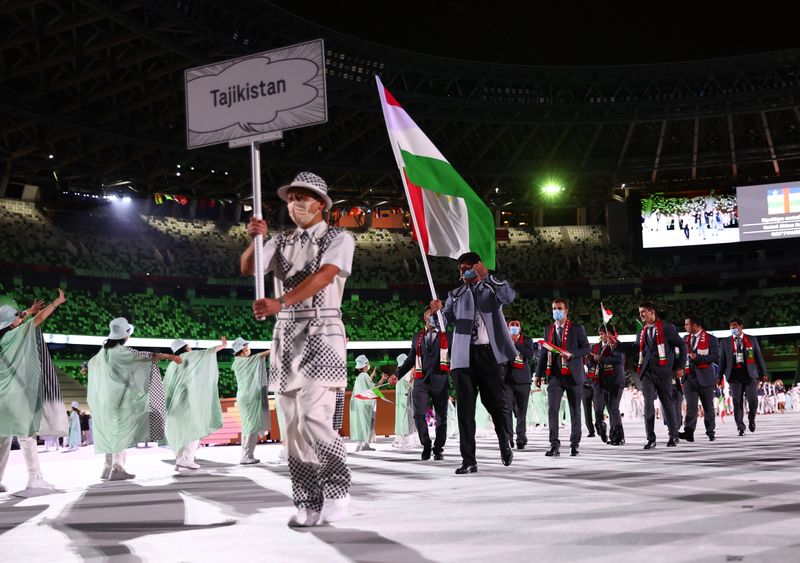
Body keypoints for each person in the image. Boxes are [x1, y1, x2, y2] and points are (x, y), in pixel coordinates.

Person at [241, 171, 354, 527]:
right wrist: (254, 240)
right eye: (291, 198)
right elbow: (249, 268)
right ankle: (307, 498)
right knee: (291, 428)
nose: (295, 204)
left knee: (313, 417)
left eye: (302, 197)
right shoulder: (281, 239)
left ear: (320, 203)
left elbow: (326, 274)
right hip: (286, 334)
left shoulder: (339, 236)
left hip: (323, 329)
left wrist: (282, 301)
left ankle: (337, 486)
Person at [430, 252, 516, 475]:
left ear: (478, 266)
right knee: (465, 411)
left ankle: (504, 440)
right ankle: (469, 460)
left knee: (496, 404)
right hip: (462, 357)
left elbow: (508, 296)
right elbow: (442, 322)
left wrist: (488, 276)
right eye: (460, 269)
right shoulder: (455, 295)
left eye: (467, 268)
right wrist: (435, 312)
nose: (463, 273)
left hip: (488, 355)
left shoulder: (491, 289)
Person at [88, 317, 181, 481]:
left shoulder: (102, 352)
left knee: (111, 433)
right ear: (124, 335)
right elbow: (144, 357)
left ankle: (107, 467)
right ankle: (117, 468)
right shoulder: (120, 351)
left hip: (104, 401)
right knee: (120, 434)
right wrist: (169, 357)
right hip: (119, 401)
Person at [0, 291, 67, 494]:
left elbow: (17, 321)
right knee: (26, 435)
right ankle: (35, 478)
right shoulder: (14, 336)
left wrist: (25, 312)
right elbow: (38, 320)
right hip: (15, 395)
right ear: (11, 324)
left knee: (2, 439)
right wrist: (56, 302)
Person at [534, 299, 591, 457]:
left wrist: (572, 354)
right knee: (552, 410)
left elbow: (586, 348)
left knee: (575, 411)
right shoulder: (548, 329)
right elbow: (544, 353)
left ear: (566, 311)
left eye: (559, 308)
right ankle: (554, 445)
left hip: (573, 375)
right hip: (555, 376)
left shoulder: (577, 328)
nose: (556, 311)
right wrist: (538, 374)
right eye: (553, 308)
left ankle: (574, 444)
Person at [393, 307, 451, 460]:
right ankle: (426, 444)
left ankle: (438, 448)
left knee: (441, 418)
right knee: (418, 414)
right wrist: (397, 374)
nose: (433, 317)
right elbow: (411, 359)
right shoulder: (417, 337)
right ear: (425, 317)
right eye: (431, 315)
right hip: (421, 381)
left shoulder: (446, 336)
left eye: (436, 315)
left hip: (440, 380)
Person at [164, 337, 228, 471]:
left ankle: (181, 458)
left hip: (174, 405)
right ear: (186, 347)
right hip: (186, 401)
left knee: (182, 432)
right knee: (194, 430)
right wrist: (223, 345)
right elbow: (209, 352)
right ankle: (186, 459)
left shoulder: (172, 364)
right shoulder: (190, 356)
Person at [635, 301, 686, 449]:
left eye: (643, 311)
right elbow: (638, 348)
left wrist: (680, 367)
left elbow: (681, 345)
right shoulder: (642, 330)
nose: (641, 315)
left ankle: (673, 435)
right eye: (640, 312)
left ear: (652, 312)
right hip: (647, 373)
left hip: (664, 371)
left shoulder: (666, 327)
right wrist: (618, 345)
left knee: (666, 404)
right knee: (648, 405)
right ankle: (651, 438)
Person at [717, 318, 767, 436]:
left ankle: (751, 420)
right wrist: (719, 377)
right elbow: (722, 361)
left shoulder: (752, 339)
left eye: (734, 325)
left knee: (753, 401)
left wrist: (763, 373)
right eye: (730, 326)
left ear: (741, 326)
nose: (732, 328)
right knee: (737, 402)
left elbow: (759, 358)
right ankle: (740, 426)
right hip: (734, 376)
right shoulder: (725, 342)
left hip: (750, 376)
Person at [678, 317, 719, 442]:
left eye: (687, 324)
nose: (685, 327)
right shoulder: (685, 339)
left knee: (708, 407)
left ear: (695, 325)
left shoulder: (711, 339)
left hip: (705, 377)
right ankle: (689, 432)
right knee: (691, 406)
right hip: (689, 377)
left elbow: (715, 356)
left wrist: (699, 358)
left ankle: (710, 431)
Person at [231, 337, 270, 465]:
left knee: (247, 426)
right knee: (252, 426)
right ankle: (247, 455)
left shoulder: (238, 362)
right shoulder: (245, 361)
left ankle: (246, 454)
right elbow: (262, 355)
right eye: (247, 346)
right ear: (243, 349)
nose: (249, 349)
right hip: (250, 397)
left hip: (243, 397)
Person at [587, 324, 626, 445]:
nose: (601, 336)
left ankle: (618, 436)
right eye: (600, 334)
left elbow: (619, 360)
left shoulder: (617, 344)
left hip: (615, 381)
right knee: (599, 410)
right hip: (600, 382)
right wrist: (591, 359)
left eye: (603, 334)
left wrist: (601, 359)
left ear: (609, 334)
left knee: (613, 408)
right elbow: (590, 365)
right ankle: (604, 429)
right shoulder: (596, 347)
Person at [504, 318, 536, 450]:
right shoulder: (503, 339)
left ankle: (521, 438)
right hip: (507, 381)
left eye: (517, 324)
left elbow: (530, 355)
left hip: (523, 380)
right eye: (512, 325)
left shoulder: (527, 340)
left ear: (520, 327)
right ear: (507, 326)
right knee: (507, 411)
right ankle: (508, 439)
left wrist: (515, 343)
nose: (514, 326)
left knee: (521, 412)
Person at [350, 355, 383, 452]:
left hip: (360, 404)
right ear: (364, 366)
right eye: (367, 363)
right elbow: (374, 387)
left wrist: (371, 376)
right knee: (367, 423)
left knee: (361, 423)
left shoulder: (359, 377)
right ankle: (365, 444)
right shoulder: (364, 376)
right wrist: (382, 379)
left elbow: (366, 385)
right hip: (366, 404)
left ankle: (360, 444)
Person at [391, 357, 416, 450]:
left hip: (399, 400)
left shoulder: (397, 374)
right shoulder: (406, 372)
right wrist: (413, 377)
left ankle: (399, 439)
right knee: (407, 419)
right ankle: (405, 441)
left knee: (400, 418)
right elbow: (409, 383)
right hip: (406, 399)